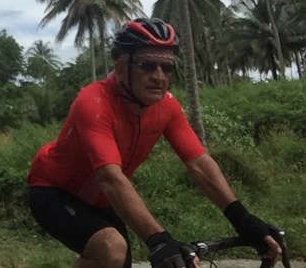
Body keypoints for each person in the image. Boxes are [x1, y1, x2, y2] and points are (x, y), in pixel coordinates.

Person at [26, 18, 283, 268]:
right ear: (119, 62)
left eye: (167, 68)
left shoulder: (167, 107)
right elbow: (109, 177)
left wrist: (243, 218)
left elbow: (199, 163)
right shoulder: (94, 102)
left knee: (118, 259)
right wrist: (158, 238)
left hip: (101, 200)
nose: (159, 76)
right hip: (53, 190)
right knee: (111, 250)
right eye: (147, 65)